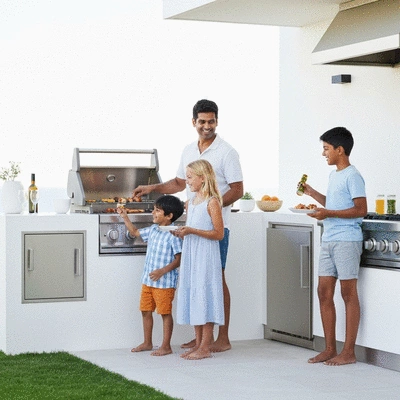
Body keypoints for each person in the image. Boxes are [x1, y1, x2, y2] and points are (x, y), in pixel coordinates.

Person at [132, 99, 243, 352]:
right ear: (194, 122)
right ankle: (202, 337)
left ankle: (221, 338)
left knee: (216, 279)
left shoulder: (227, 152)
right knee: (195, 280)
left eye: (211, 121)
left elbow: (238, 189)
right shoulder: (188, 151)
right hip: (195, 229)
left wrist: (208, 207)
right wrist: (152, 188)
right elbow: (179, 183)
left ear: (217, 121)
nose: (207, 126)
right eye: (202, 121)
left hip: (217, 227)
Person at [304, 127, 367, 366]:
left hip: (347, 240)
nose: (324, 154)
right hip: (329, 238)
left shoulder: (353, 175)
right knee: (323, 292)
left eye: (326, 149)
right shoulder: (334, 176)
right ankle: (330, 348)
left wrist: (327, 212)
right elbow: (333, 204)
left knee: (348, 294)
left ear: (340, 150)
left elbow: (360, 209)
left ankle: (348, 351)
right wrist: (313, 195)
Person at [117, 195, 184, 356]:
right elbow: (134, 232)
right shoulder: (153, 230)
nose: (153, 212)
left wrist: (162, 271)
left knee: (164, 313)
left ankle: (166, 346)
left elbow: (179, 259)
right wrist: (125, 217)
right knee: (145, 310)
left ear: (169, 216)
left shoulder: (174, 235)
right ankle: (147, 342)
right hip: (147, 281)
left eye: (157, 210)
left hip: (164, 283)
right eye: (154, 209)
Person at [173, 159, 225, 360]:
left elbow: (218, 233)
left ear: (202, 178)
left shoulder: (212, 202)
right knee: (193, 293)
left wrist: (192, 230)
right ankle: (197, 343)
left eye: (189, 177)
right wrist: (183, 232)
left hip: (205, 255)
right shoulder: (192, 202)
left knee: (205, 294)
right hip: (192, 253)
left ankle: (205, 346)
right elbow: (192, 227)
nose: (187, 181)